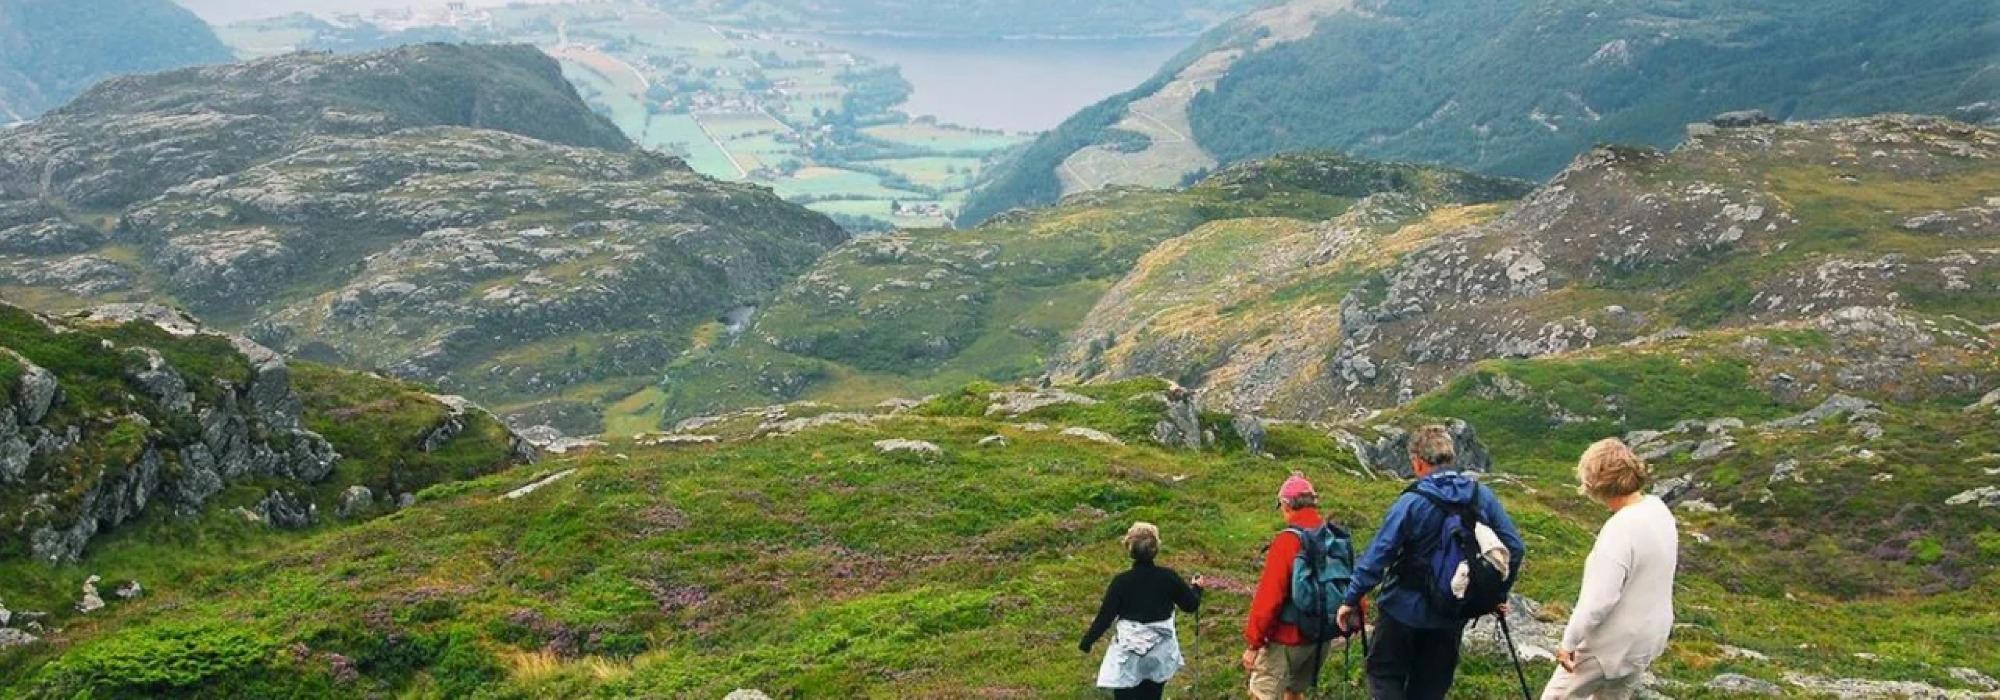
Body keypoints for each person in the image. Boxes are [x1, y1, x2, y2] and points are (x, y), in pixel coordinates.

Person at [1336, 425, 1526, 700]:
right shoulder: (1480, 495)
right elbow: (1515, 548)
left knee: (1385, 676)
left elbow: (1380, 554)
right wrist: (1495, 594)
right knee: (1428, 690)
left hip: (1402, 610)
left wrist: (1351, 598)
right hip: (1451, 612)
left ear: (1418, 462)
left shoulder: (1412, 501)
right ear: (1451, 458)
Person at [1543, 439, 1678, 700]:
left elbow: (1599, 601)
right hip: (1646, 639)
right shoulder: (1658, 510)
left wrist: (1568, 643)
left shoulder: (1620, 529)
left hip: (1609, 645)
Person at [1081, 522, 1204, 700]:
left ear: (1130, 549)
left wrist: (1087, 642)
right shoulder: (1168, 577)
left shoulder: (1121, 582)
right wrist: (1197, 589)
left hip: (1130, 651)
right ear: (1155, 549)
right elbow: (1190, 605)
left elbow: (1105, 617)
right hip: (1159, 651)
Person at [1242, 472, 1330, 700]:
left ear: (1286, 504)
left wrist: (1254, 643)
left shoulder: (1288, 540)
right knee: (1294, 693)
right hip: (1321, 635)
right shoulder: (1330, 534)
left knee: (1261, 692)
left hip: (1288, 637)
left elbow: (1269, 597)